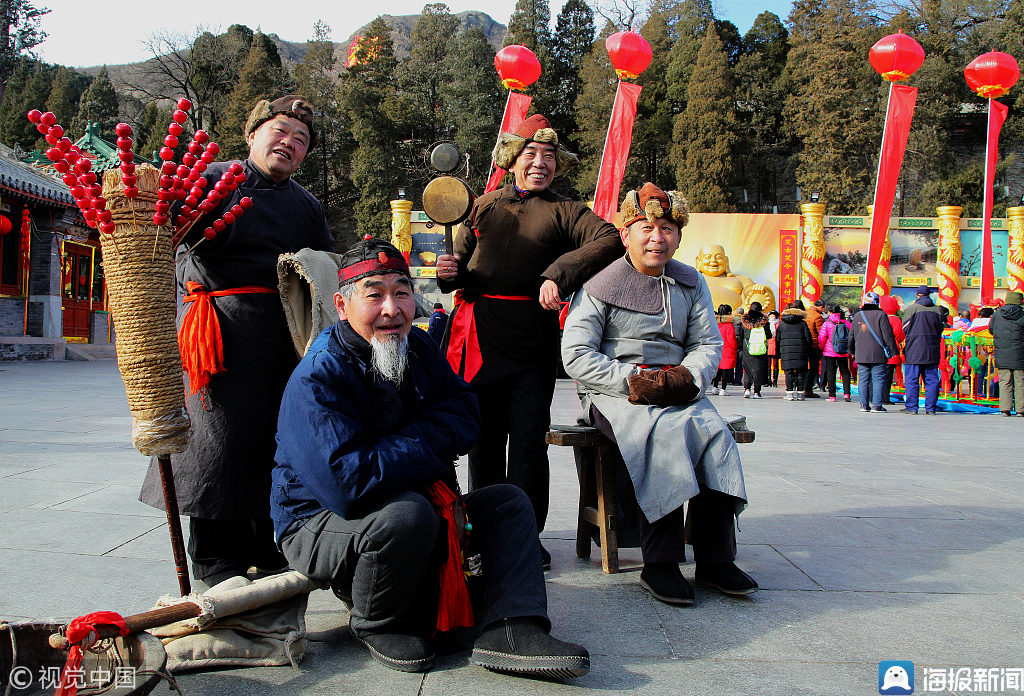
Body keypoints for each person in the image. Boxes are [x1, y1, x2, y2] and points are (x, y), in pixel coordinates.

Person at [272, 238, 590, 678]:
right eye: (375, 295)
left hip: (407, 500)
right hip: (317, 521)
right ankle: (379, 621)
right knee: (407, 514)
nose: (392, 309)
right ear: (342, 305)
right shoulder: (320, 375)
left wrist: (406, 445)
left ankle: (512, 626)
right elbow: (347, 486)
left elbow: (467, 411)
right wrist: (429, 441)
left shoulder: (417, 348)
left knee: (508, 503)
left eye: (401, 292)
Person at [140, 96, 335, 586]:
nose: (290, 143)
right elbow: (161, 231)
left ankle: (271, 546)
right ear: (252, 135)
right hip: (216, 332)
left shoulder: (306, 204)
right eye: (281, 131)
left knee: (274, 441)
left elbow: (326, 263)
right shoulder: (213, 179)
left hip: (282, 336)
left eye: (302, 140)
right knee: (217, 442)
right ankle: (214, 560)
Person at [433, 114, 622, 557]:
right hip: (477, 337)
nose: (540, 164)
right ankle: (480, 532)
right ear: (512, 160)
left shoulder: (566, 210)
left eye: (549, 157)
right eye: (530, 154)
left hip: (531, 343)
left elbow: (610, 238)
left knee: (528, 444)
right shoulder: (481, 206)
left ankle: (523, 536)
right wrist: (448, 273)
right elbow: (457, 269)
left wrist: (558, 273)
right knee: (483, 444)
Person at [561, 183, 756, 606]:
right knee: (662, 435)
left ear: (679, 235)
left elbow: (707, 342)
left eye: (667, 228)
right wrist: (633, 380)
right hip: (615, 391)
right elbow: (575, 354)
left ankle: (715, 559)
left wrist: (690, 377)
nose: (657, 237)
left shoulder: (691, 282)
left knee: (714, 435)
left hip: (678, 384)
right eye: (647, 227)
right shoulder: (599, 282)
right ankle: (661, 564)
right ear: (626, 233)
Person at [849, 292, 899, 413]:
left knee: (863, 380)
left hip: (861, 353)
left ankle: (863, 405)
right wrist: (893, 351)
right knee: (878, 379)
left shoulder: (857, 316)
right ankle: (877, 405)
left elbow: (851, 335)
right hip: (878, 353)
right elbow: (888, 335)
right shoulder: (881, 315)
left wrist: (851, 350)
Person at [899, 285, 945, 415]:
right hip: (932, 348)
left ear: (917, 295)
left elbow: (905, 328)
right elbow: (940, 329)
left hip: (914, 348)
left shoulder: (912, 308)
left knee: (912, 379)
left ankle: (912, 407)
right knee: (932, 380)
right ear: (929, 295)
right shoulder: (938, 310)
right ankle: (931, 408)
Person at [989, 291, 1024, 416]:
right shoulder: (1022, 314)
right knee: (1020, 382)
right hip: (1020, 354)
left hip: (1002, 353)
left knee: (1005, 381)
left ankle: (1005, 409)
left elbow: (991, 330)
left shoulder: (997, 314)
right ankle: (1021, 409)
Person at [775, 303, 813, 401]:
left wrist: (779, 353)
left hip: (786, 351)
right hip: (801, 351)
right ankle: (800, 393)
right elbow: (808, 338)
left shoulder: (782, 324)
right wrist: (809, 351)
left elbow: (778, 340)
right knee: (800, 373)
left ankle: (789, 393)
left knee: (788, 373)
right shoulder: (803, 323)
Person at [738, 301, 772, 399]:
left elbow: (741, 336)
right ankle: (757, 392)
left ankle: (747, 389)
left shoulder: (745, 321)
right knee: (759, 370)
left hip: (748, 348)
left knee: (747, 370)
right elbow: (769, 335)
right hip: (761, 348)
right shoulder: (764, 322)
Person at [819, 304, 853, 402]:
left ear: (830, 312)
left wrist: (822, 348)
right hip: (843, 351)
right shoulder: (846, 323)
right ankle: (847, 394)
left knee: (831, 372)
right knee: (845, 371)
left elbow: (822, 337)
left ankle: (832, 396)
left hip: (830, 351)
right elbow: (851, 337)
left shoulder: (827, 323)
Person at [878, 295, 905, 405]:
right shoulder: (895, 319)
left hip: (878, 350)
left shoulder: (878, 317)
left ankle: (874, 397)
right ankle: (885, 397)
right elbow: (900, 335)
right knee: (888, 376)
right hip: (891, 351)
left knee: (877, 375)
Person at [802, 299, 826, 398]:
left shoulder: (805, 313)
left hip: (804, 344)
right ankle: (808, 389)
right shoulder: (818, 317)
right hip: (814, 345)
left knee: (804, 367)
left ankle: (802, 387)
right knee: (813, 368)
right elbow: (821, 333)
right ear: (820, 307)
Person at [713, 304, 737, 396]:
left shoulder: (715, 324)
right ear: (729, 313)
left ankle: (715, 387)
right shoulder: (729, 326)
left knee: (719, 369)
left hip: (717, 349)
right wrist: (735, 346)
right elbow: (731, 339)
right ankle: (723, 389)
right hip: (727, 349)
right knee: (726, 369)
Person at [767, 310, 781, 387]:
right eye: (770, 315)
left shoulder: (779, 324)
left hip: (776, 346)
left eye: (773, 315)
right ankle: (768, 380)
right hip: (768, 345)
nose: (772, 317)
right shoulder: (767, 324)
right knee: (768, 364)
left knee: (775, 364)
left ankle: (775, 381)